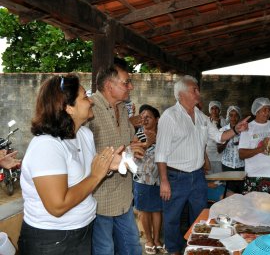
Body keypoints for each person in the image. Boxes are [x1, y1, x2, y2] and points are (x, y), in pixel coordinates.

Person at [18, 74, 122, 254]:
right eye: (85, 97)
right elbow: (57, 206)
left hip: (82, 229)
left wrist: (106, 167)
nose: (91, 101)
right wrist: (96, 175)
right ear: (69, 108)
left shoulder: (84, 135)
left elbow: (84, 179)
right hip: (51, 240)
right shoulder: (47, 146)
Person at [155, 75, 249, 255]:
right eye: (194, 90)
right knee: (172, 218)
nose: (198, 93)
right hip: (175, 177)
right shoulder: (170, 116)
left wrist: (236, 129)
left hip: (198, 176)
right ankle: (174, 251)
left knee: (200, 216)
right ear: (181, 94)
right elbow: (160, 152)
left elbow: (219, 136)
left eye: (198, 89)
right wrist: (164, 180)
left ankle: (197, 248)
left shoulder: (201, 116)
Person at [89, 59, 143, 255]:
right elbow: (81, 156)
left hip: (124, 198)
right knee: (105, 251)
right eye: (126, 83)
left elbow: (129, 144)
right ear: (109, 86)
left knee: (132, 249)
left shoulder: (122, 108)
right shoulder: (89, 110)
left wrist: (136, 148)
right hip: (99, 201)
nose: (131, 86)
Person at [133, 104, 167, 255]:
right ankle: (148, 240)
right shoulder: (138, 135)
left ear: (157, 119)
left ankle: (157, 239)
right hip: (142, 179)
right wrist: (148, 144)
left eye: (148, 117)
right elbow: (135, 155)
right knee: (144, 211)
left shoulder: (163, 135)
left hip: (160, 179)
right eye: (142, 117)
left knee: (157, 210)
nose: (145, 120)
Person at [239, 97, 270, 193]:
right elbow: (241, 154)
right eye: (264, 110)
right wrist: (261, 149)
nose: (268, 112)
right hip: (254, 175)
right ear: (257, 111)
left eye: (269, 110)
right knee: (253, 206)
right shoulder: (248, 127)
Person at [218, 105, 245, 193]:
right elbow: (219, 150)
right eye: (231, 115)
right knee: (229, 192)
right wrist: (227, 137)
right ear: (228, 116)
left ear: (239, 116)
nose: (233, 118)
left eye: (236, 115)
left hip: (242, 165)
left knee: (241, 192)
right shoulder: (223, 130)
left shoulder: (245, 130)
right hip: (227, 166)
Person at [206, 101, 227, 173]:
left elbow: (225, 137)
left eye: (216, 108)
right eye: (212, 108)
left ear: (219, 110)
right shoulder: (206, 121)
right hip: (208, 155)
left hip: (220, 156)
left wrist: (218, 126)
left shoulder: (224, 122)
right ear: (209, 110)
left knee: (219, 178)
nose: (214, 111)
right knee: (209, 179)